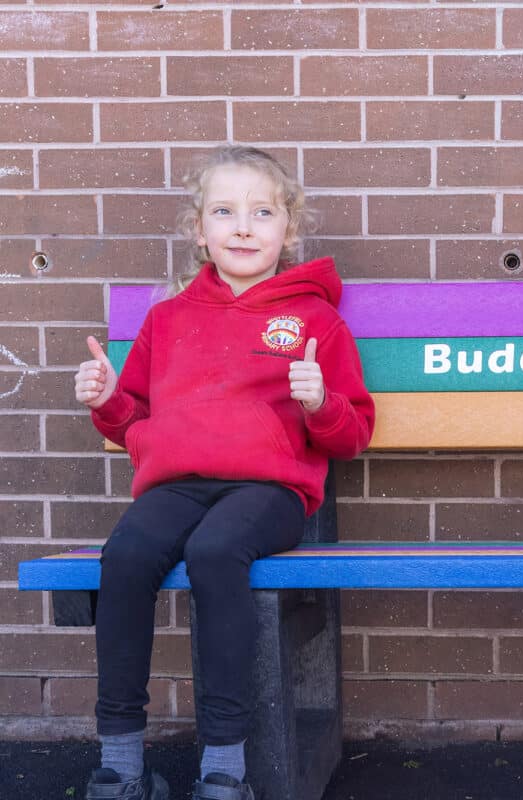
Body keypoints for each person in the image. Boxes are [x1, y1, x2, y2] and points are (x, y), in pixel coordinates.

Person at [74, 146, 375, 800]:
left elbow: (352, 434)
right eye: (225, 211)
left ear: (287, 231)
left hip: (268, 492)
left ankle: (224, 769)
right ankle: (120, 764)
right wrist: (107, 401)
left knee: (215, 553)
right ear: (199, 230)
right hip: (178, 484)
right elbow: (134, 421)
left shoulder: (315, 320)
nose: (243, 226)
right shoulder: (168, 319)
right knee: (124, 556)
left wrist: (319, 402)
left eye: (262, 212)